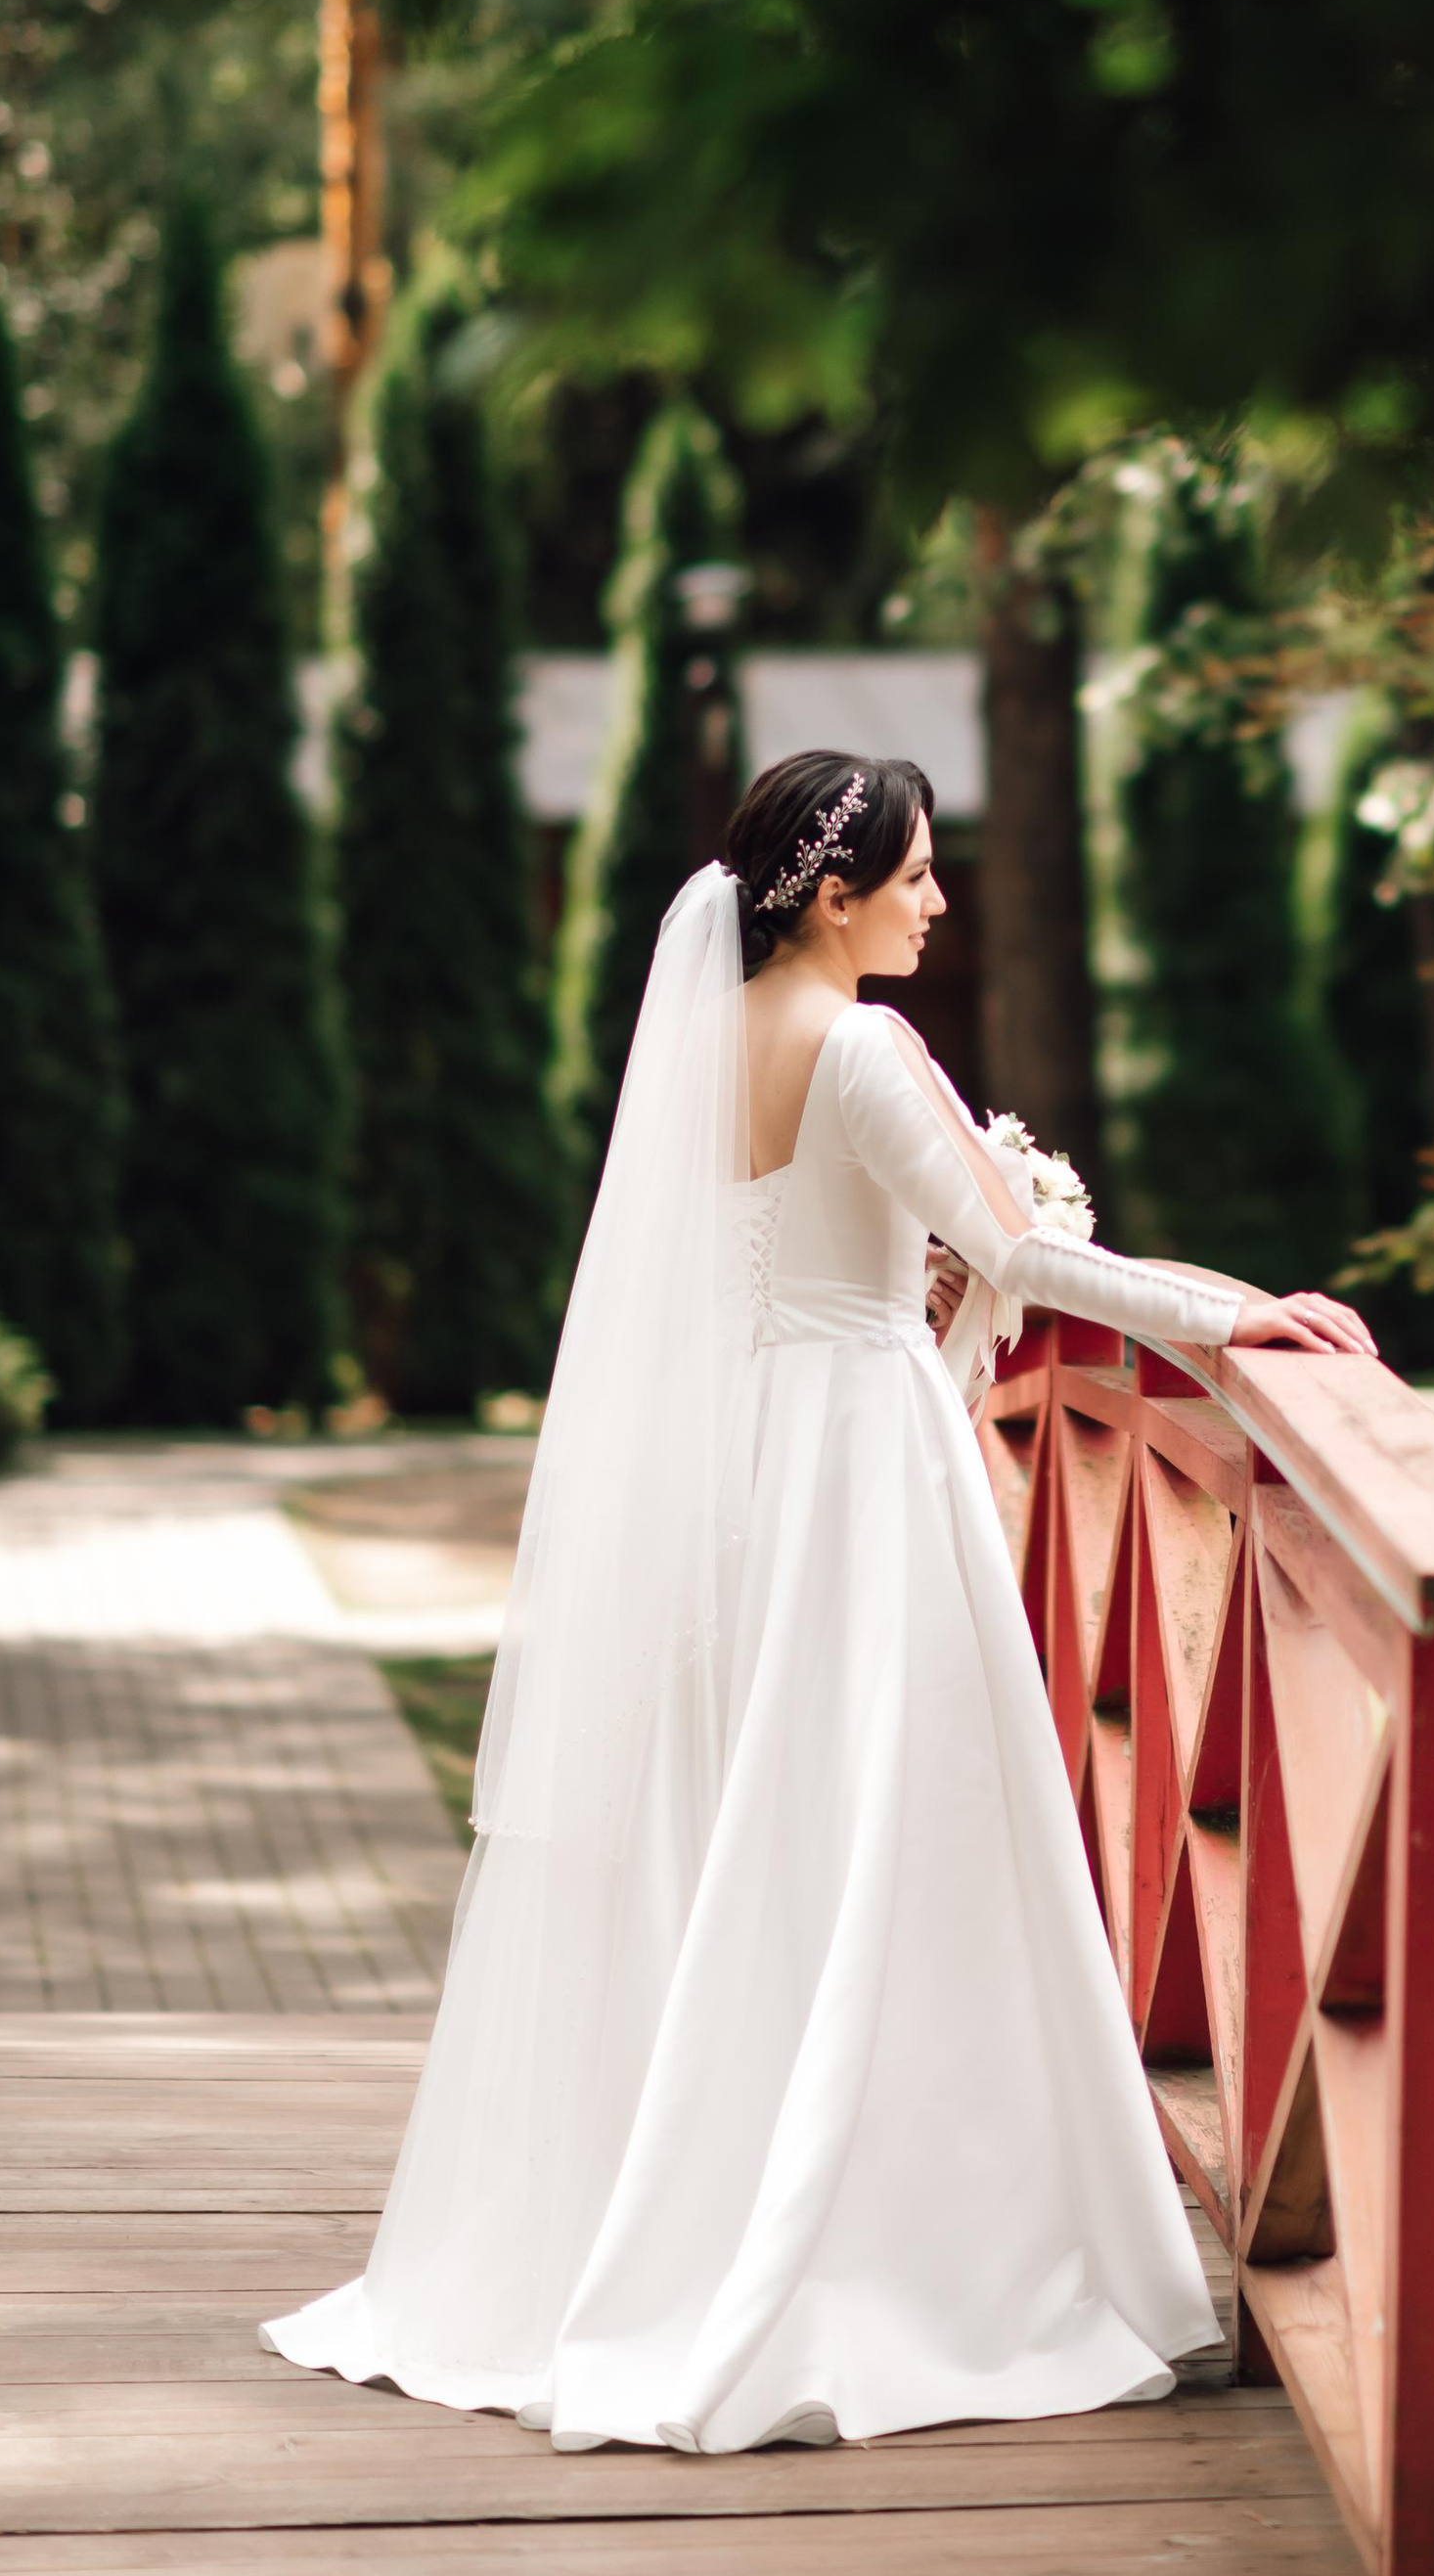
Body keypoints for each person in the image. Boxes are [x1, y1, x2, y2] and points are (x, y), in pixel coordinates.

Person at [264, 749, 1372, 2451]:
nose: (939, 902)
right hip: (864, 1472)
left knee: (766, 1829)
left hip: (758, 1462)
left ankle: (729, 2178)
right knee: (885, 1830)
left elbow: (797, 1270)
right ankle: (879, 2238)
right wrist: (1240, 1317)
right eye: (918, 876)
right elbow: (1027, 1259)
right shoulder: (860, 1043)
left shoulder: (712, 1046)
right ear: (833, 895)